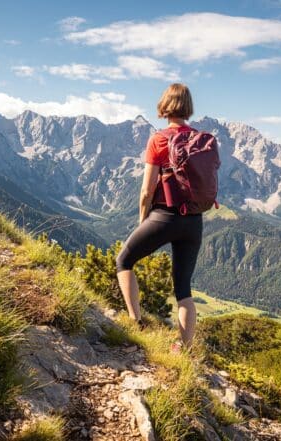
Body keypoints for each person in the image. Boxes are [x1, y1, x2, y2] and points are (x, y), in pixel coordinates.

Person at [115, 83, 203, 351]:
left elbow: (147, 190)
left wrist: (144, 221)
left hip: (164, 216)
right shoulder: (201, 140)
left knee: (124, 259)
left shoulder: (159, 139)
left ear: (165, 105)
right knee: (183, 290)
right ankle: (184, 350)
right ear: (187, 108)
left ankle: (135, 321)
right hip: (194, 221)